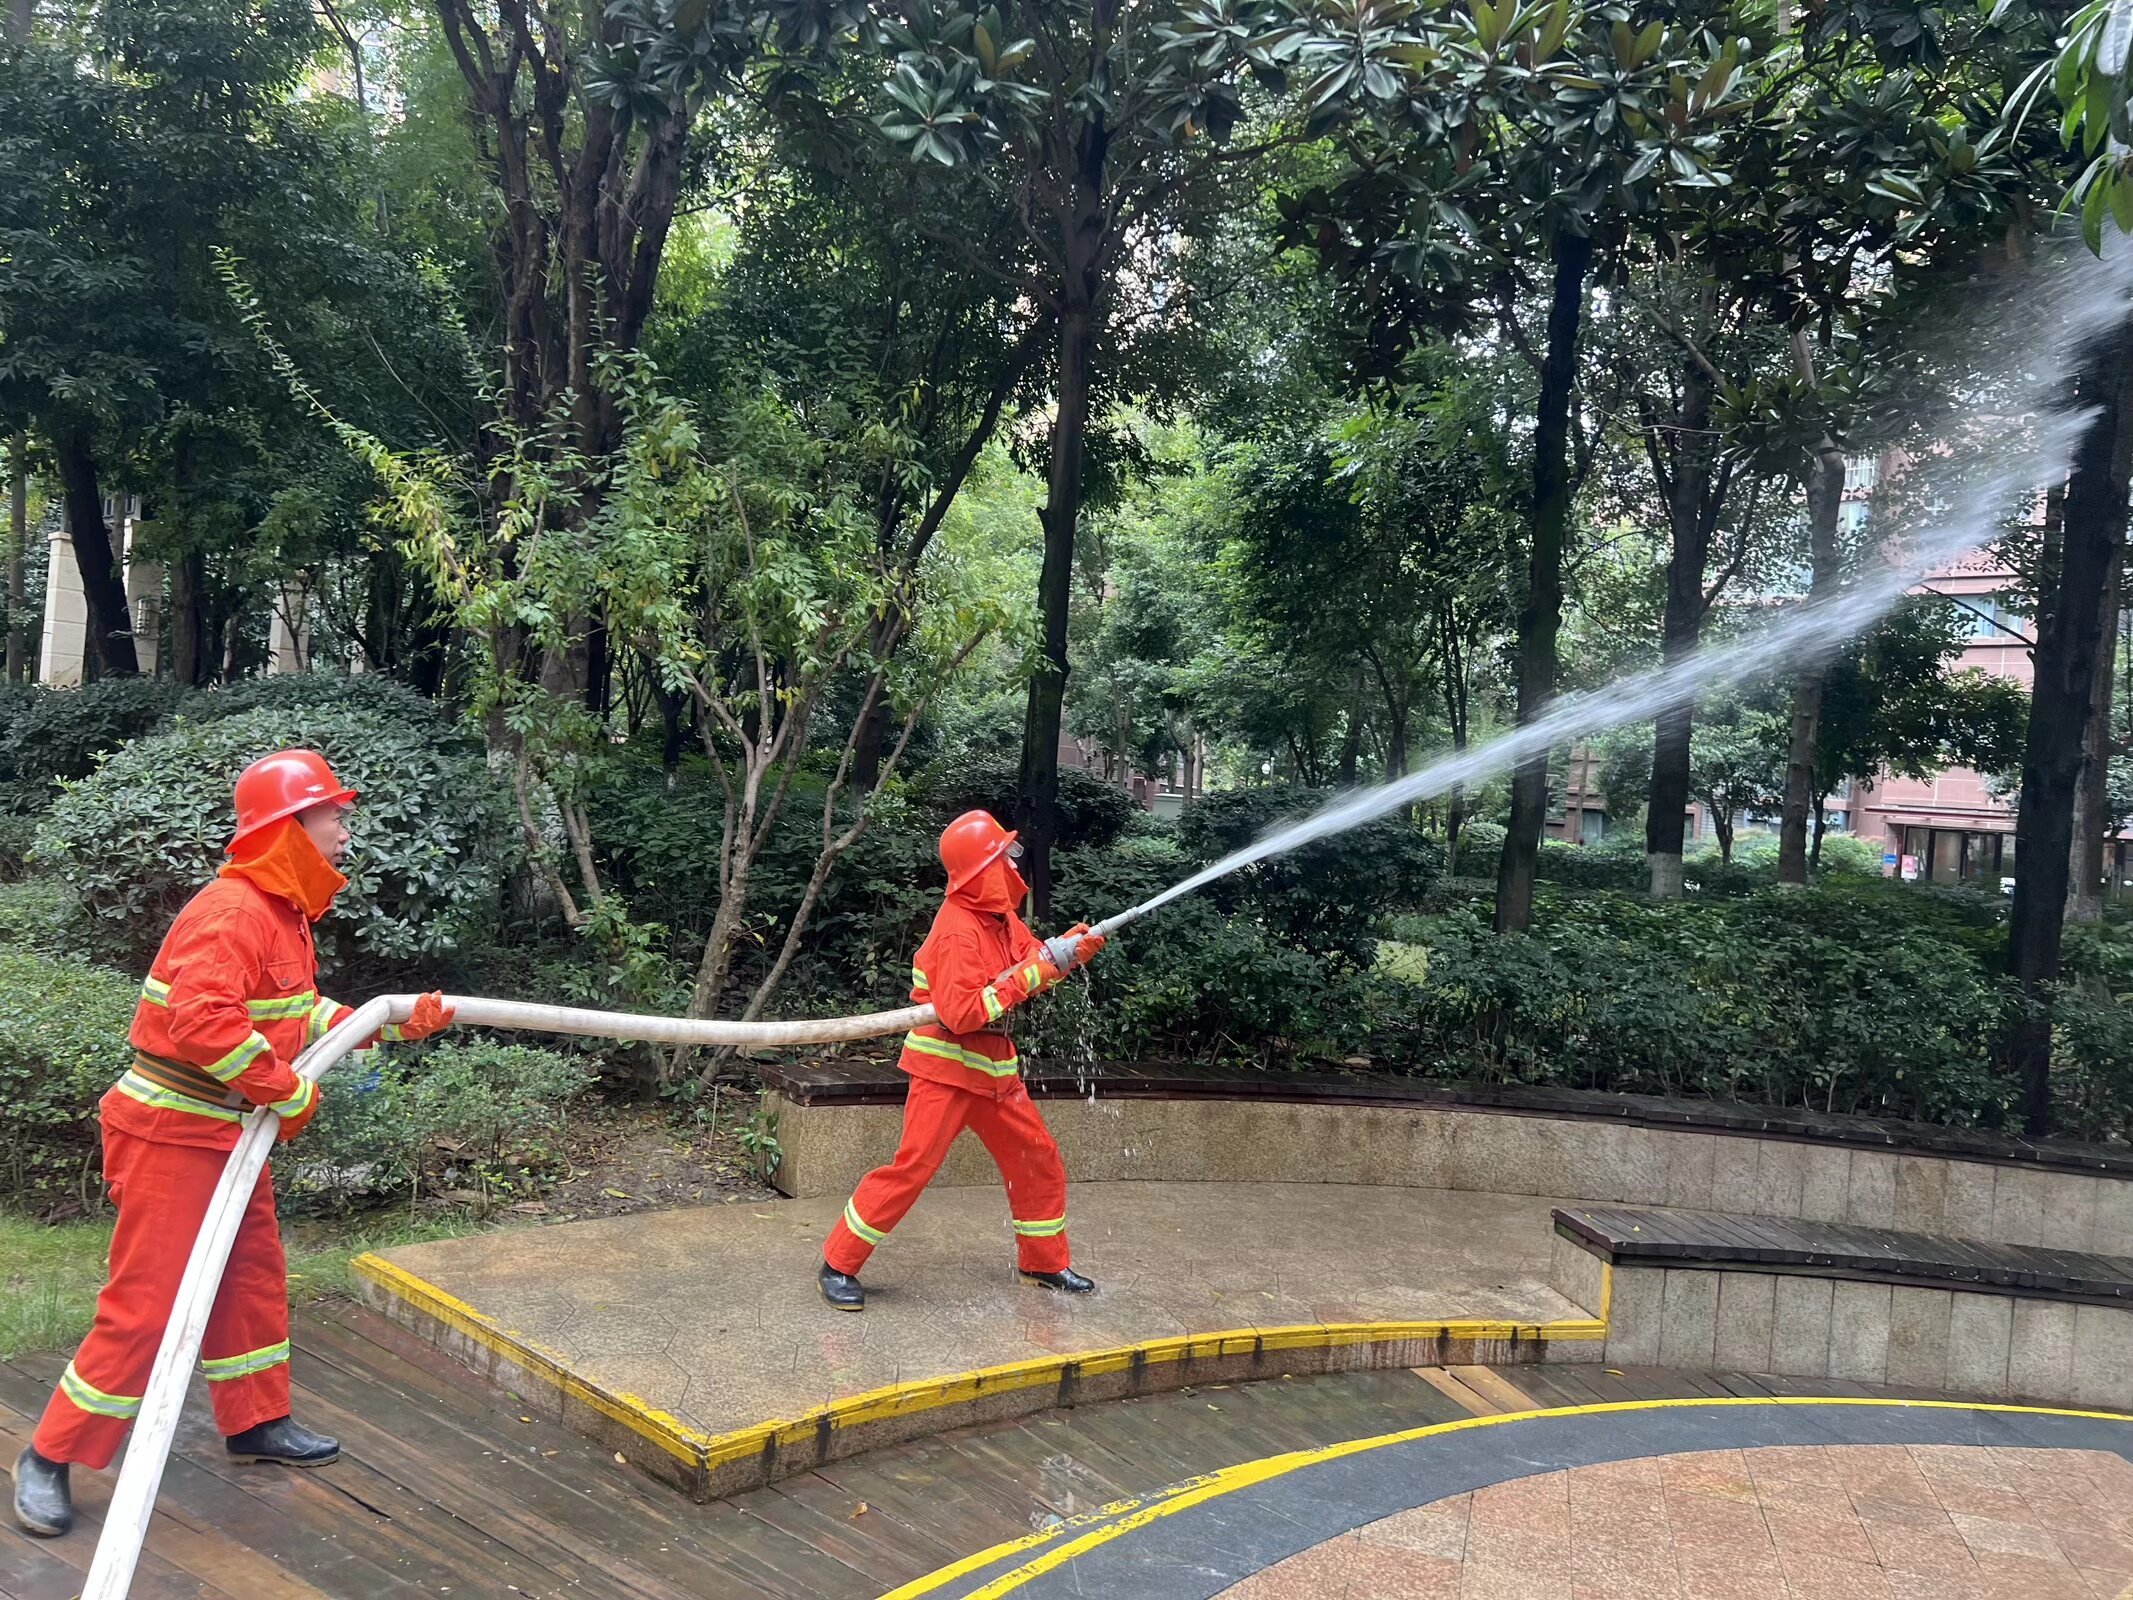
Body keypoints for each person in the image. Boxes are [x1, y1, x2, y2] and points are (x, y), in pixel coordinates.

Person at [10, 750, 456, 1538]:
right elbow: (203, 1021)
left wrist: (388, 1022)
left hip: (225, 1131)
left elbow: (295, 1014)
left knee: (249, 1279)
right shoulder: (233, 912)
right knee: (148, 1306)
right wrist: (287, 1091)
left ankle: (255, 1422)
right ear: (290, 827)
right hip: (171, 1133)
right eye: (334, 815)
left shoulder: (280, 912)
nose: (346, 830)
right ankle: (49, 1455)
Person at [819, 809, 1105, 1311]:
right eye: (1004, 857)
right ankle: (838, 1263)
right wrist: (1037, 970)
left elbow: (1030, 964)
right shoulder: (957, 931)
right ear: (983, 869)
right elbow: (964, 1013)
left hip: (995, 1071)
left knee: (1036, 1159)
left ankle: (1043, 1262)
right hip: (947, 1071)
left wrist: (1067, 953)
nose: (1014, 865)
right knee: (912, 1169)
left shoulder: (1000, 918)